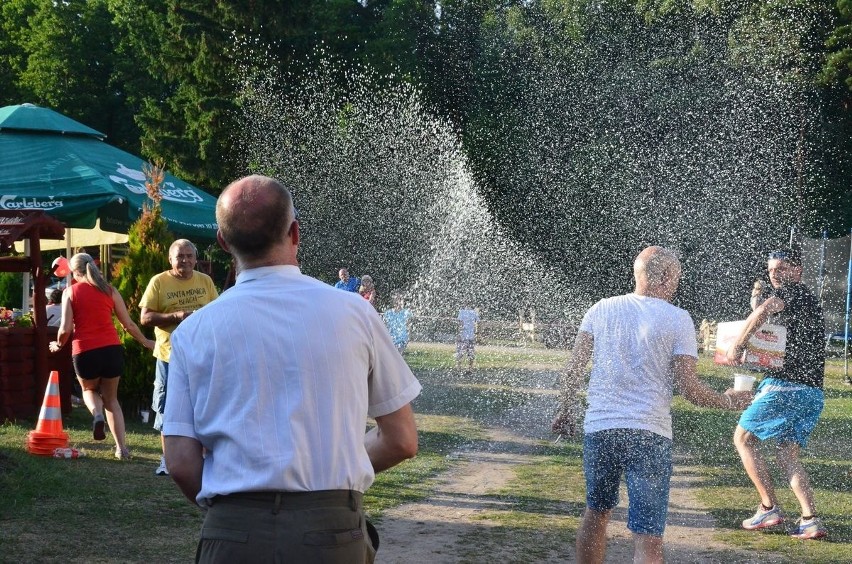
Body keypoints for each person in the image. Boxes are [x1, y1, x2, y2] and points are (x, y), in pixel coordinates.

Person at [163, 175, 421, 563]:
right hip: (333, 531)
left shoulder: (194, 331)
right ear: (295, 232)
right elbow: (401, 440)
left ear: (221, 242)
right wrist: (333, 467)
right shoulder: (355, 313)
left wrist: (240, 507)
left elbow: (180, 462)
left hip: (233, 532)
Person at [551, 246, 753, 564]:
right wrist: (729, 401)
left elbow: (575, 369)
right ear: (667, 278)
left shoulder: (601, 309)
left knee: (596, 512)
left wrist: (565, 409)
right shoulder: (678, 319)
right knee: (648, 533)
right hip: (649, 434)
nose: (678, 284)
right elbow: (689, 389)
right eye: (677, 278)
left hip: (601, 429)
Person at [726, 248, 828, 540]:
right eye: (771, 270)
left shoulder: (793, 293)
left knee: (743, 438)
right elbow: (776, 344)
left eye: (782, 268)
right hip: (811, 392)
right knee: (787, 453)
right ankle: (810, 520)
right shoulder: (804, 300)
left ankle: (768, 507)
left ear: (798, 271)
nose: (775, 274)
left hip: (788, 389)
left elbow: (762, 312)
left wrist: (737, 346)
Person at [48, 253, 154, 459]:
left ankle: (97, 415)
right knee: (112, 399)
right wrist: (146, 342)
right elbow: (129, 324)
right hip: (111, 350)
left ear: (74, 272)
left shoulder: (70, 292)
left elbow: (65, 328)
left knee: (88, 389)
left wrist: (58, 345)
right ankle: (122, 449)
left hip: (85, 351)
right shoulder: (110, 290)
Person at [140, 239, 218, 476]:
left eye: (189, 256)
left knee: (203, 404)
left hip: (201, 355)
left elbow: (216, 312)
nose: (184, 260)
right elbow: (145, 318)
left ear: (195, 259)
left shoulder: (205, 281)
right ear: (170, 260)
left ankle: (204, 456)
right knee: (166, 407)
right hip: (169, 356)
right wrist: (176, 316)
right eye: (179, 256)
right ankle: (167, 459)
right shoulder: (159, 281)